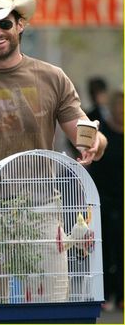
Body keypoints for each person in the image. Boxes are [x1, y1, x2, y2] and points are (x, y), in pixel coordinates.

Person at [0, 0, 108, 323]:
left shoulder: (52, 77)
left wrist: (95, 145)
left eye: (4, 23)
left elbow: (86, 134)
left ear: (20, 24)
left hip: (42, 210)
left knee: (51, 314)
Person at [88, 90, 124, 311]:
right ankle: (104, 294)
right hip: (104, 198)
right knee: (104, 247)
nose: (121, 111)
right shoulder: (104, 133)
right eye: (118, 106)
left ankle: (121, 295)